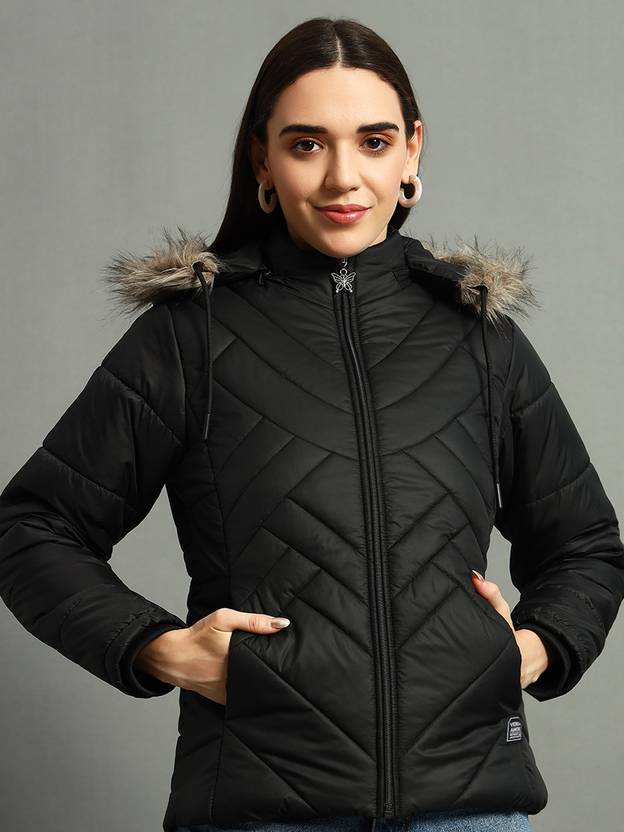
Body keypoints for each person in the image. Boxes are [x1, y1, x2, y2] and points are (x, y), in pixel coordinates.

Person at [1, 15, 623, 832]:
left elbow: (585, 545)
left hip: (471, 810)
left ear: (411, 151)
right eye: (306, 145)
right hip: (263, 811)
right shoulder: (192, 336)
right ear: (262, 158)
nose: (342, 178)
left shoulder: (479, 339)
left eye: (373, 141)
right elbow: (31, 528)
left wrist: (530, 649)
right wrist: (157, 647)